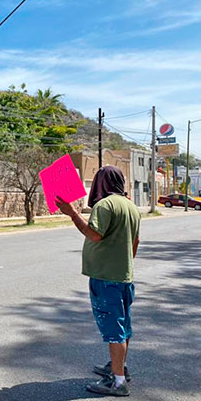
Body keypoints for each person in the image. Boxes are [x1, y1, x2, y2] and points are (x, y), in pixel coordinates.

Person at [56, 165, 140, 397]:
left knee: (115, 331)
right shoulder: (131, 206)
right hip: (124, 276)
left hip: (106, 278)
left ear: (100, 184)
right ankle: (118, 367)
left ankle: (119, 382)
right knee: (123, 327)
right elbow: (135, 243)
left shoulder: (104, 205)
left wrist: (72, 213)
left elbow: (94, 234)